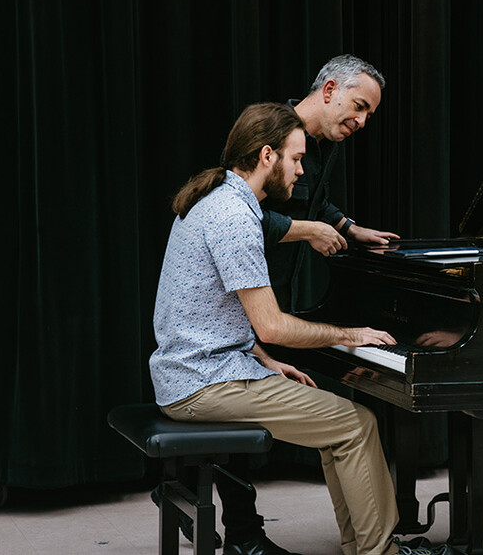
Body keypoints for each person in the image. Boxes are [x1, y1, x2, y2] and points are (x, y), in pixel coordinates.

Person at [150, 102, 452, 555]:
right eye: (296, 159)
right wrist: (350, 334)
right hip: (204, 385)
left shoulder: (216, 198)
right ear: (267, 156)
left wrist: (264, 362)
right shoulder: (234, 217)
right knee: (356, 424)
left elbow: (210, 313)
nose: (300, 172)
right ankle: (381, 552)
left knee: (340, 429)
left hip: (196, 372)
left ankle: (365, 547)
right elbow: (271, 325)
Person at [263, 54, 400, 313]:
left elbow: (315, 199)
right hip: (237, 303)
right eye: (359, 106)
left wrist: (349, 227)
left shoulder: (327, 143)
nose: (361, 122)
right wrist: (310, 231)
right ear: (329, 90)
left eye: (368, 116)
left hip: (279, 298)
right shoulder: (266, 132)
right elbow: (237, 219)